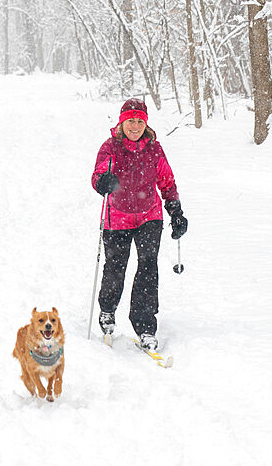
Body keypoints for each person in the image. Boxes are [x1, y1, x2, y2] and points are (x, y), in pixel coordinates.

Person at [91, 97, 188, 352]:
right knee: (115, 266)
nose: (135, 126)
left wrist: (175, 211)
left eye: (139, 121)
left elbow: (166, 181)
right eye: (130, 121)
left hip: (149, 216)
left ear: (146, 123)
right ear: (121, 122)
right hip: (118, 217)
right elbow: (98, 175)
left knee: (147, 268)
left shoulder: (154, 149)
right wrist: (103, 183)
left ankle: (145, 325)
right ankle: (108, 310)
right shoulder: (110, 147)